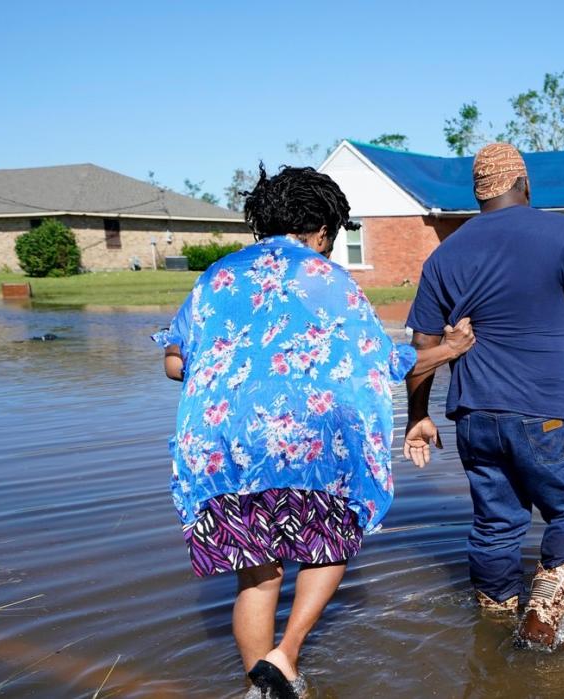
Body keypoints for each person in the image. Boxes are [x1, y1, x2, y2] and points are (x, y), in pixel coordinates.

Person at [152, 166, 474, 698]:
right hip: (312, 445)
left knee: (257, 574)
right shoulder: (327, 280)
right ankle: (287, 654)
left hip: (226, 449)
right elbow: (381, 361)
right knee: (330, 544)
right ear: (323, 229)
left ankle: (260, 688)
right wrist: (451, 348)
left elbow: (175, 363)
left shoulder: (217, 277)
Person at [404, 143, 564, 651]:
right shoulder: (560, 233)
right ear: (525, 185)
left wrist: (417, 416)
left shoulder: (444, 254)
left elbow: (423, 347)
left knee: (495, 526)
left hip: (474, 417)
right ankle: (549, 594)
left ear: (478, 194)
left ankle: (496, 623)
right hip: (547, 413)